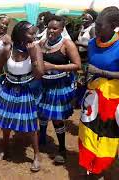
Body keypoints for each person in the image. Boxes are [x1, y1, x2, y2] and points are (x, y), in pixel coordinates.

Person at [0, 21, 45, 171]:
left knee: (30, 125)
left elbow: (39, 74)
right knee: (5, 122)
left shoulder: (35, 48)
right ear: (20, 33)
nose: (33, 36)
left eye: (34, 33)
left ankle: (36, 155)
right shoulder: (8, 49)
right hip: (8, 88)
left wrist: (33, 56)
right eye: (30, 33)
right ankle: (6, 150)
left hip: (26, 90)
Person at [79, 6, 119, 178]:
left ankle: (103, 166)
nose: (97, 28)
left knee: (108, 133)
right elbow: (90, 66)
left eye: (101, 25)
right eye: (96, 24)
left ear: (114, 25)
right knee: (89, 130)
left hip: (114, 99)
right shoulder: (91, 43)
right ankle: (93, 166)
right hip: (92, 97)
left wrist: (101, 73)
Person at [38, 15, 81, 164]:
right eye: (49, 28)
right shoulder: (43, 42)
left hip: (58, 85)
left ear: (62, 29)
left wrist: (54, 66)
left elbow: (77, 65)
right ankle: (41, 138)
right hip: (43, 84)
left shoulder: (66, 44)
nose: (51, 31)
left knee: (56, 118)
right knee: (42, 113)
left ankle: (62, 149)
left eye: (55, 28)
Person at [74, 9, 98, 107]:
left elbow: (95, 43)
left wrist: (80, 43)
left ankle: (80, 101)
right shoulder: (82, 28)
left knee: (82, 81)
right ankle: (78, 100)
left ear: (92, 19)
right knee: (79, 80)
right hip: (80, 57)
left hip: (87, 58)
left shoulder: (92, 29)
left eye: (86, 17)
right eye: (83, 17)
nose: (83, 19)